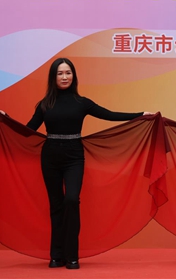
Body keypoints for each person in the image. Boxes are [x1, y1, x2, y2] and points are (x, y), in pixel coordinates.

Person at [24, 58, 149, 269]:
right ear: (53, 77)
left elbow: (109, 115)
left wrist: (140, 115)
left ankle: (72, 255)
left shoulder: (82, 103)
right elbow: (28, 131)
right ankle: (56, 255)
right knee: (56, 205)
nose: (64, 77)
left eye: (68, 73)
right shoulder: (44, 104)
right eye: (60, 73)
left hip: (74, 157)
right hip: (50, 157)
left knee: (71, 200)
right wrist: (3, 119)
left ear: (74, 76)